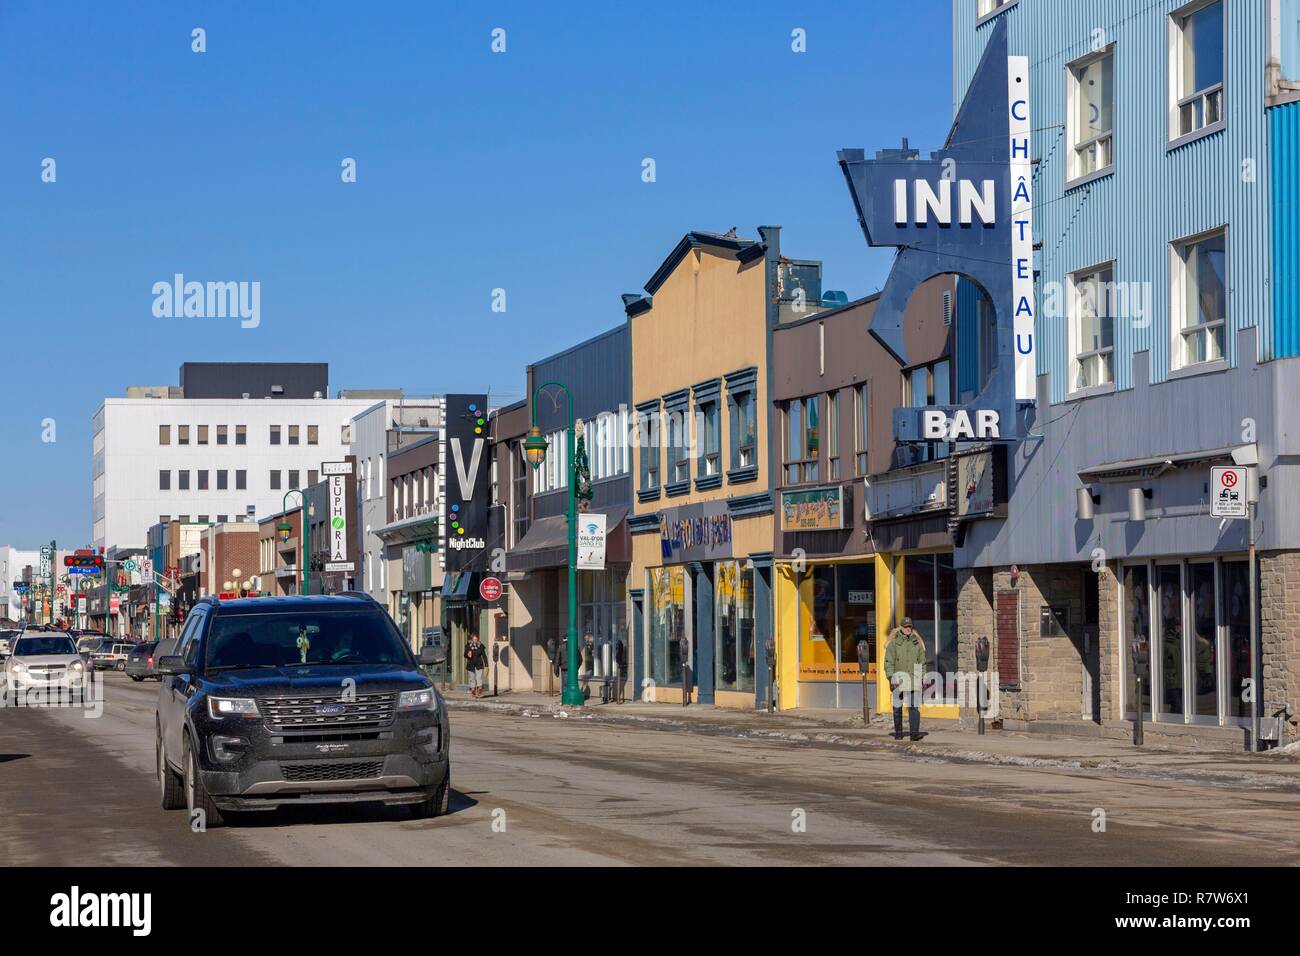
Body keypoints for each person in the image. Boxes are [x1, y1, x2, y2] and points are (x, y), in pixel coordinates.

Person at [883, 616, 927, 741]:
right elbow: (888, 662)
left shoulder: (916, 643)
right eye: (906, 626)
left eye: (910, 627)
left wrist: (922, 677)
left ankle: (914, 734)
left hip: (913, 680)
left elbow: (922, 663)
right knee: (897, 707)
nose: (908, 629)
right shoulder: (893, 644)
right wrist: (891, 677)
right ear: (901, 628)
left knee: (914, 707)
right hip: (898, 680)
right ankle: (898, 732)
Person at [465, 631, 488, 698]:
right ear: (472, 639)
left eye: (476, 639)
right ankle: (473, 692)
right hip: (471, 664)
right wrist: (467, 655)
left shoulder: (481, 646)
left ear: (477, 639)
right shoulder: (468, 646)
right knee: (472, 679)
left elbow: (484, 655)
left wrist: (486, 664)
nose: (475, 640)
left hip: (479, 664)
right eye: (474, 639)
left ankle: (480, 692)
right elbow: (464, 654)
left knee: (479, 678)